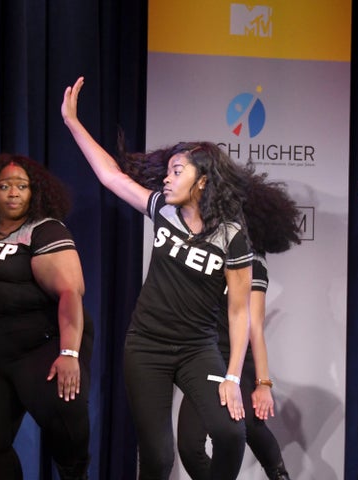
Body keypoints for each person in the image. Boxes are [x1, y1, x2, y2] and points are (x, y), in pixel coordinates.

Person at [62, 76, 252, 480]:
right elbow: (111, 176)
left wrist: (233, 376)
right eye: (167, 171)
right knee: (158, 460)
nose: (166, 178)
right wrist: (73, 122)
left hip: (198, 348)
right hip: (146, 347)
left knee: (230, 432)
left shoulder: (231, 235)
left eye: (177, 171)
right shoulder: (162, 211)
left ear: (202, 181)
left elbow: (239, 311)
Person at [0, 153, 94, 480]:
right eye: (4, 186)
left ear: (35, 192)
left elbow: (71, 292)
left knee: (68, 436)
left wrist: (69, 353)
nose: (13, 193)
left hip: (39, 350)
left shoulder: (44, 230)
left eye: (21, 186)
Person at [176, 172, 301, 480]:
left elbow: (254, 325)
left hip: (231, 356)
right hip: (201, 354)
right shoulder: (208, 244)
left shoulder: (251, 259)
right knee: (191, 446)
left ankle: (278, 474)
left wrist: (262, 384)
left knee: (248, 426)